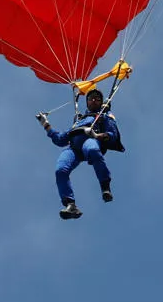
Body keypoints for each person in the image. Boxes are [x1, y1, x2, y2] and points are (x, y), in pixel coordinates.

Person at [37, 90, 125, 219]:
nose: (93, 100)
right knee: (60, 170)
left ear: (101, 103)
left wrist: (97, 135)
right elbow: (60, 139)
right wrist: (45, 124)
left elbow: (112, 135)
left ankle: (105, 187)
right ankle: (70, 205)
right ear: (87, 102)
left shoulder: (104, 116)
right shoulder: (79, 121)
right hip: (73, 149)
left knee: (92, 150)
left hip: (91, 140)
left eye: (97, 99)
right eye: (91, 99)